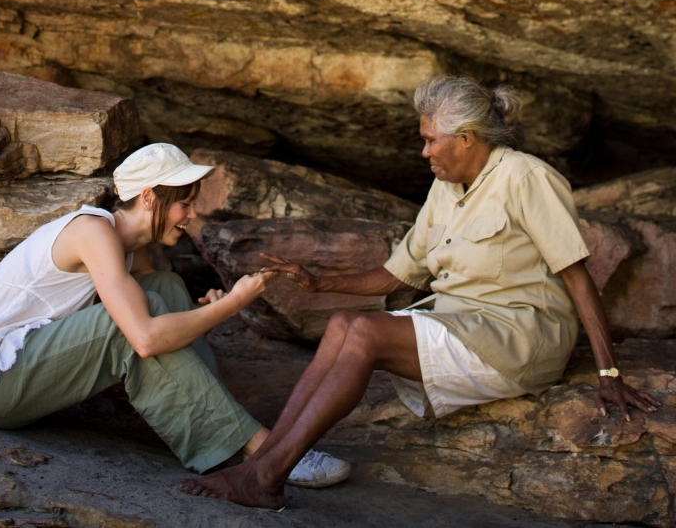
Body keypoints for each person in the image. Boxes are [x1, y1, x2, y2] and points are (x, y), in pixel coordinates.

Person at [179, 75, 661, 510]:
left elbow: (578, 275)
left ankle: (265, 475)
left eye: (431, 140)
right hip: (461, 326)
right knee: (345, 323)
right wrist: (320, 281)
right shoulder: (445, 188)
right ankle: (261, 467)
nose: (425, 152)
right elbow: (399, 275)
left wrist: (608, 372)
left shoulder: (525, 177)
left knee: (364, 332)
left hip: (516, 340)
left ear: (466, 138)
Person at [0, 142, 349, 485]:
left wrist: (202, 311)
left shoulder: (134, 248)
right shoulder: (93, 233)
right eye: (184, 204)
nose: (192, 215)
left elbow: (160, 312)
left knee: (165, 289)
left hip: (24, 369)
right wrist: (231, 304)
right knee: (131, 328)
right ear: (148, 197)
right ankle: (270, 451)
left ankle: (226, 431)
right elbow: (145, 337)